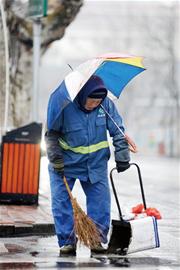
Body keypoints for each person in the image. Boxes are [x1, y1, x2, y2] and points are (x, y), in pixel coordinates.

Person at [45, 75, 130, 256]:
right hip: (65, 164)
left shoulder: (105, 106)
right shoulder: (63, 105)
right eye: (91, 101)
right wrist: (55, 158)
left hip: (95, 164)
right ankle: (67, 242)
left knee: (100, 203)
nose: (94, 105)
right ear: (83, 96)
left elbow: (118, 130)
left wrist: (122, 155)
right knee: (62, 204)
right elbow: (51, 135)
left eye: (98, 101)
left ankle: (96, 240)